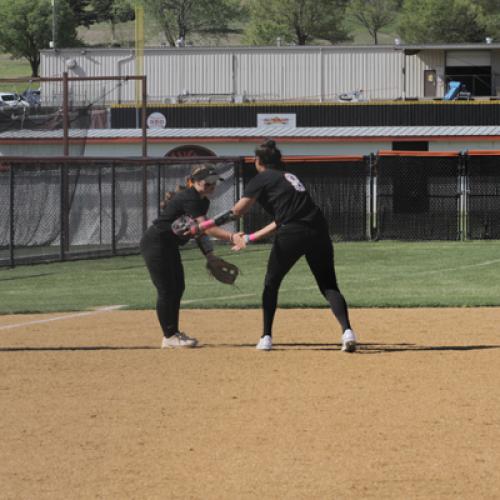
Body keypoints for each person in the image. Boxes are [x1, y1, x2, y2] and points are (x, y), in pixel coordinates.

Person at [230, 140, 357, 352]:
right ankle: (347, 332)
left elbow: (238, 210)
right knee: (328, 285)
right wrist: (251, 238)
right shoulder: (288, 177)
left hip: (293, 233)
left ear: (257, 161)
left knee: (271, 284)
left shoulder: (262, 178)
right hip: (318, 229)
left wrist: (211, 224)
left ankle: (266, 337)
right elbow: (280, 220)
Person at [140, 165, 238, 348]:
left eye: (214, 182)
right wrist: (232, 237)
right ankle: (169, 337)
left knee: (178, 286)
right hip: (155, 244)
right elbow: (207, 227)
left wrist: (209, 255)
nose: (212, 186)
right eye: (208, 182)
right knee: (166, 289)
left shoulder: (202, 201)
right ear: (195, 182)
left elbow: (200, 231)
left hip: (168, 246)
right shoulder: (189, 198)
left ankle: (174, 333)